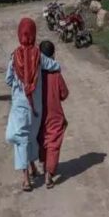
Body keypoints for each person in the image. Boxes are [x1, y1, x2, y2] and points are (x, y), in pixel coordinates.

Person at [5, 18, 60, 192]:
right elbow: (55, 65)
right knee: (30, 138)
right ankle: (33, 167)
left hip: (20, 106)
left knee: (20, 139)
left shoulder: (14, 57)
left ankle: (26, 179)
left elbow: (8, 80)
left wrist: (18, 84)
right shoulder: (39, 56)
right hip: (36, 108)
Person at [38, 40, 69, 189]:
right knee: (53, 141)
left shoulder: (36, 74)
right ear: (53, 55)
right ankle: (49, 174)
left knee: (42, 138)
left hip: (39, 113)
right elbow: (64, 94)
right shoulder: (56, 74)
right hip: (55, 113)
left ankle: (43, 164)